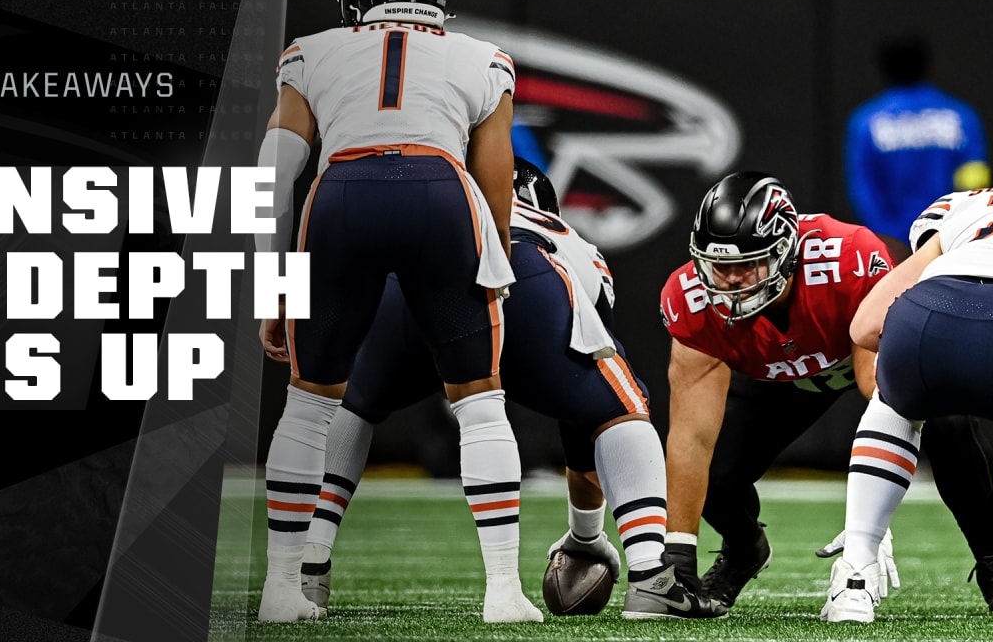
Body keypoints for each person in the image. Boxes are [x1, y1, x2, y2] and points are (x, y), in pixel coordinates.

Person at [296, 159, 728, 621]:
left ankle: (308, 565)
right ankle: (650, 580)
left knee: (351, 403)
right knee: (622, 405)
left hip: (404, 274)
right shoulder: (568, 239)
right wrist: (585, 535)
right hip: (519, 267)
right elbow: (587, 426)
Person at [254, 0, 534, 623]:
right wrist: (493, 257)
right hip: (440, 190)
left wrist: (273, 284)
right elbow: (495, 177)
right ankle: (502, 591)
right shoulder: (484, 59)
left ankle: (282, 588)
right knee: (479, 399)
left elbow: (273, 174)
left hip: (342, 192)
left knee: (310, 401)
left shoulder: (310, 51)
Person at [659, 170, 993, 611]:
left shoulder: (846, 258)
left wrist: (871, 520)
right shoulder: (690, 297)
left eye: (746, 265)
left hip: (867, 346)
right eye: (718, 266)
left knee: (948, 423)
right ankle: (744, 550)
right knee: (720, 474)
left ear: (785, 252)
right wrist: (678, 554)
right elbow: (690, 439)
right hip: (786, 374)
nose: (728, 282)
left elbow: (881, 390)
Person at [823, 187, 993, 623]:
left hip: (927, 314)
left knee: (894, 395)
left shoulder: (966, 214)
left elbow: (865, 327)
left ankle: (856, 574)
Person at [845, 34, 990, 241]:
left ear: (885, 69)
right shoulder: (961, 116)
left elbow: (864, 189)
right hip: (949, 238)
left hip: (892, 244)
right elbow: (975, 180)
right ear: (928, 66)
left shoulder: (866, 121)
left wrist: (890, 237)